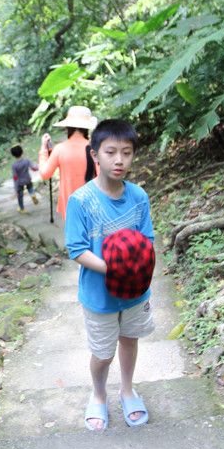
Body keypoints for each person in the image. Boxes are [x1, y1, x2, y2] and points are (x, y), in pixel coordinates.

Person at [65, 119, 155, 431]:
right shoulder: (80, 201)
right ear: (95, 155)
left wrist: (136, 268)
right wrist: (116, 268)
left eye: (127, 153)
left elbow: (148, 240)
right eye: (111, 152)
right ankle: (99, 395)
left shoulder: (138, 196)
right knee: (103, 353)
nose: (119, 160)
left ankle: (127, 390)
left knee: (130, 340)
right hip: (99, 295)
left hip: (135, 292)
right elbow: (76, 248)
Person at [38, 105, 97, 220]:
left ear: (67, 127)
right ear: (87, 128)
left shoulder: (60, 149)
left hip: (70, 208)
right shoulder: (94, 148)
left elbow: (44, 174)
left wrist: (44, 149)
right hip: (93, 206)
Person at [10, 145, 39, 213]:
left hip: (20, 182)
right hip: (27, 179)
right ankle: (32, 194)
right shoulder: (26, 160)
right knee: (30, 188)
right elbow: (34, 168)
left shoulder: (14, 165)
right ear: (22, 152)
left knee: (20, 196)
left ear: (13, 155)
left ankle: (22, 209)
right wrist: (40, 166)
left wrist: (16, 189)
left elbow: (15, 177)